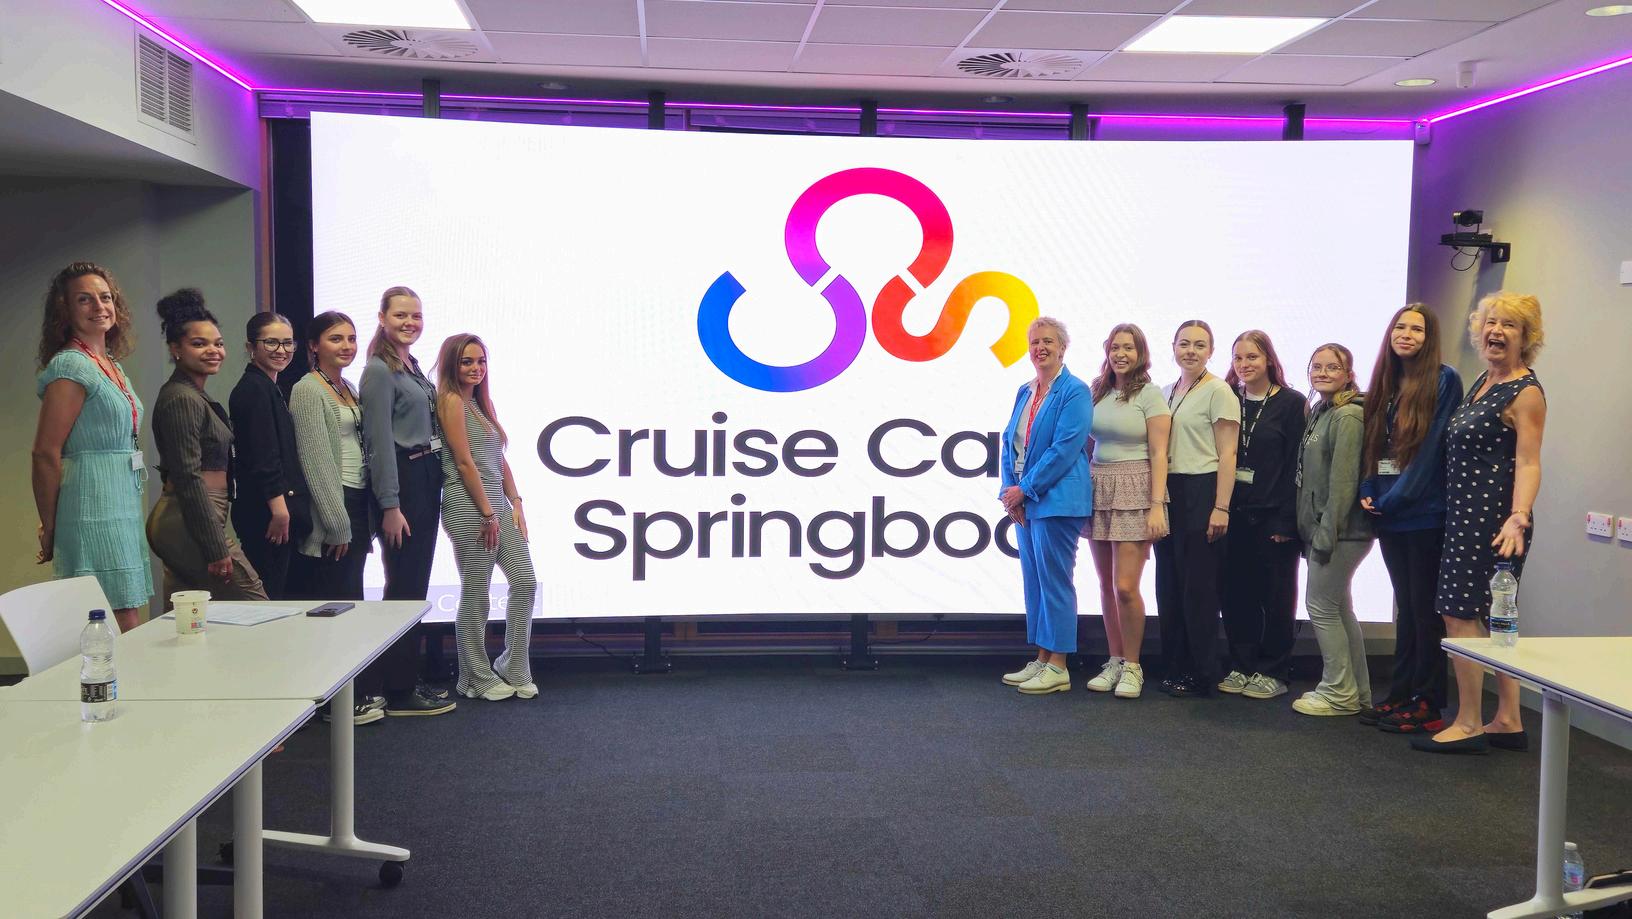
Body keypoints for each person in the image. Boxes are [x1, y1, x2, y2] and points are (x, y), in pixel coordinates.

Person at [1413, 292, 1545, 755]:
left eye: (1509, 325)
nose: (1496, 331)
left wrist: (1518, 517)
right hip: (1467, 516)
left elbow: (1529, 462)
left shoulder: (1525, 391)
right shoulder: (1485, 381)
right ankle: (1508, 719)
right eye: (1490, 322)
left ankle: (1468, 722)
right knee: (1497, 617)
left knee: (1460, 613)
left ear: (1526, 337)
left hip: (1493, 521)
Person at [1358, 305, 1463, 734]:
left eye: (1416, 329)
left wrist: (1395, 498)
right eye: (1400, 327)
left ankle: (1428, 702)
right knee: (1406, 608)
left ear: (1428, 337)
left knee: (1424, 612)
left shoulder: (1444, 379)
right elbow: (1374, 445)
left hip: (1422, 515)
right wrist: (1368, 489)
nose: (1406, 334)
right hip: (1390, 514)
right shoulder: (1386, 382)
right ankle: (1401, 693)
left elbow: (1431, 451)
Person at [32, 262, 153, 632]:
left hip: (120, 499)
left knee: (126, 608)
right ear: (65, 310)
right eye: (85, 299)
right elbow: (45, 453)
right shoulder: (72, 365)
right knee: (116, 616)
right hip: (90, 501)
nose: (100, 306)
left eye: (106, 297)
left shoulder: (109, 363)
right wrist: (50, 526)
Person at [288, 311, 391, 723]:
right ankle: (334, 704)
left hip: (357, 500)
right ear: (314, 346)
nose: (346, 346)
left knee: (351, 602)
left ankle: (349, 695)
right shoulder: (307, 390)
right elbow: (316, 463)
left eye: (351, 338)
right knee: (335, 605)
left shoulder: (346, 386)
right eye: (335, 339)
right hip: (337, 506)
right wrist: (336, 523)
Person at [359, 288, 457, 717]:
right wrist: (390, 505)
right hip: (404, 481)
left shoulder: (410, 365)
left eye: (416, 315)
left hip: (425, 475)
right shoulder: (379, 371)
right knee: (404, 588)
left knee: (412, 587)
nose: (410, 323)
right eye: (400, 315)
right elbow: (379, 443)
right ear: (382, 317)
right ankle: (398, 689)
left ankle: (402, 680)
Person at [144, 289, 267, 604]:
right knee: (257, 607)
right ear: (176, 349)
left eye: (218, 343)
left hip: (191, 517)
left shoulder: (193, 394)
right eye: (199, 344)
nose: (213, 351)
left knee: (189, 619)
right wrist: (215, 547)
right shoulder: (181, 398)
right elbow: (188, 476)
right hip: (188, 517)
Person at [436, 334, 538, 701]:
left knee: (525, 582)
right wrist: (487, 512)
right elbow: (465, 463)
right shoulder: (450, 401)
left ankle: (513, 665)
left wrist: (516, 502)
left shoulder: (481, 403)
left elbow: (498, 459)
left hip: (496, 505)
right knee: (477, 593)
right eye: (467, 361)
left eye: (481, 361)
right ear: (452, 364)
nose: (476, 368)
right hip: (468, 505)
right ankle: (475, 677)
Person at [999, 317, 1093, 695]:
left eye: (1048, 341)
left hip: (1057, 500)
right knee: (1035, 581)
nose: (1040, 348)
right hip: (1025, 500)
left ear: (1062, 347)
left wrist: (1024, 489)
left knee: (1055, 582)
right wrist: (1008, 491)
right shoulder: (1025, 390)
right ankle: (1041, 657)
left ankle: (1059, 665)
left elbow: (1064, 449)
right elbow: (1009, 442)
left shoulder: (1075, 391)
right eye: (1035, 342)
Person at [1082, 323, 1170, 700]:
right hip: (1098, 486)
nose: (1121, 354)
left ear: (1140, 353)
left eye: (1128, 348)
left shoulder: (1150, 394)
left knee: (1125, 587)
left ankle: (1133, 666)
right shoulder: (1097, 391)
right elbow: (1087, 443)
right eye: (1115, 347)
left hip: (1136, 486)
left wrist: (1156, 505)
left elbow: (1160, 453)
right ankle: (1115, 659)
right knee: (1105, 585)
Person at [1217, 330, 1306, 701]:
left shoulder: (1291, 403)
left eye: (1252, 357)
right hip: (1232, 514)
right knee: (1236, 595)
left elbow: (1296, 466)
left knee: (1277, 597)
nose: (1244, 364)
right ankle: (1242, 665)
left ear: (1269, 359)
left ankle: (1273, 670)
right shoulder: (1226, 397)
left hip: (1273, 518)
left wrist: (1287, 521)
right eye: (1238, 358)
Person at [1153, 320, 1240, 697]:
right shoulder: (1165, 391)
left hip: (1202, 490)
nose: (1191, 350)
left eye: (1199, 345)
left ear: (1211, 352)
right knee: (1169, 585)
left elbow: (1228, 454)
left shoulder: (1219, 391)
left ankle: (1202, 672)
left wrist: (1221, 507)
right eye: (1184, 343)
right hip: (1168, 490)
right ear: (1173, 347)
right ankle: (1175, 666)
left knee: (1197, 589)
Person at [1292, 344, 1375, 716]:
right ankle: (1357, 692)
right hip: (1326, 529)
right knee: (1339, 608)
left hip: (1342, 532)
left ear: (1348, 374)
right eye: (1316, 367)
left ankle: (1338, 693)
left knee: (1321, 607)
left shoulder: (1348, 416)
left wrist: (1326, 535)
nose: (1322, 373)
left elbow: (1343, 484)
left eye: (1332, 367)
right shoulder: (1321, 412)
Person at [227, 312, 310, 599]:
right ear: (251, 347)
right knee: (269, 596)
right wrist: (280, 510)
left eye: (288, 343)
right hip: (267, 513)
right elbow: (263, 456)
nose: (281, 350)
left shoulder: (268, 386)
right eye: (271, 342)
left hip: (274, 510)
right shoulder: (253, 390)